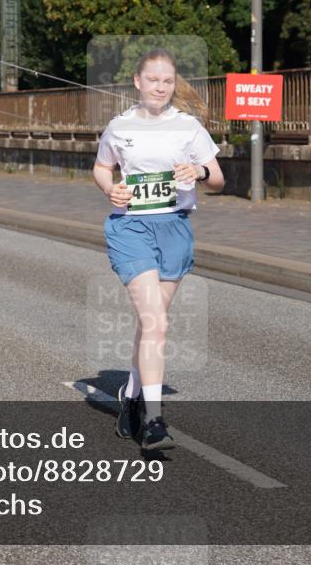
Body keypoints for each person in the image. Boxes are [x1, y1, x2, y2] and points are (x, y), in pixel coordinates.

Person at [93, 49, 225, 450]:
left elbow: (219, 179)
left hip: (175, 230)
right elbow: (102, 167)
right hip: (131, 228)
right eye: (153, 80)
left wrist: (200, 171)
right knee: (157, 323)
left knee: (152, 323)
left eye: (167, 81)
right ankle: (154, 421)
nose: (160, 88)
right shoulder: (119, 126)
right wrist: (109, 187)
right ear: (137, 81)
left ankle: (132, 396)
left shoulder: (189, 127)